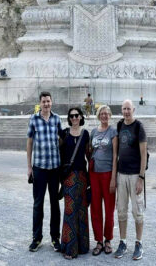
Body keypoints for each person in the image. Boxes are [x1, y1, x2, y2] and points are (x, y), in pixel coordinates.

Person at [27, 91, 63, 252]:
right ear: (40, 103)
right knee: (38, 204)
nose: (46, 104)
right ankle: (37, 238)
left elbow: (61, 141)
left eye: (48, 101)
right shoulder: (34, 119)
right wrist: (29, 167)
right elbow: (29, 143)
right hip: (39, 168)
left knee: (55, 204)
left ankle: (55, 238)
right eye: (44, 102)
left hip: (55, 167)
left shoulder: (56, 119)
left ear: (51, 102)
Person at [113, 99, 147, 261]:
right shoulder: (120, 125)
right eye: (124, 109)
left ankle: (139, 243)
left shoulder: (139, 127)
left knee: (137, 211)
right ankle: (122, 241)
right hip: (121, 173)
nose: (126, 111)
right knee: (121, 210)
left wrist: (141, 177)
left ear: (133, 109)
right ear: (122, 110)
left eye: (129, 109)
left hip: (135, 175)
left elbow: (143, 154)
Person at [60, 107, 90, 259]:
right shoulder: (64, 134)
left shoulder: (85, 134)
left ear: (81, 117)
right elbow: (58, 154)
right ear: (69, 118)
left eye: (76, 115)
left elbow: (90, 156)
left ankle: (83, 246)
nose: (74, 118)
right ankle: (70, 248)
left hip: (83, 177)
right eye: (71, 116)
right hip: (69, 177)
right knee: (70, 211)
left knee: (82, 211)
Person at [89, 105, 118, 256]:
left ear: (110, 115)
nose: (104, 116)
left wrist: (114, 178)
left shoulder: (113, 131)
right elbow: (90, 151)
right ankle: (99, 240)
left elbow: (115, 156)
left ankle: (108, 239)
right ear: (98, 115)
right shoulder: (93, 131)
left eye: (107, 114)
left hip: (107, 174)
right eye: (102, 113)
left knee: (109, 208)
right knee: (95, 208)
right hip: (94, 173)